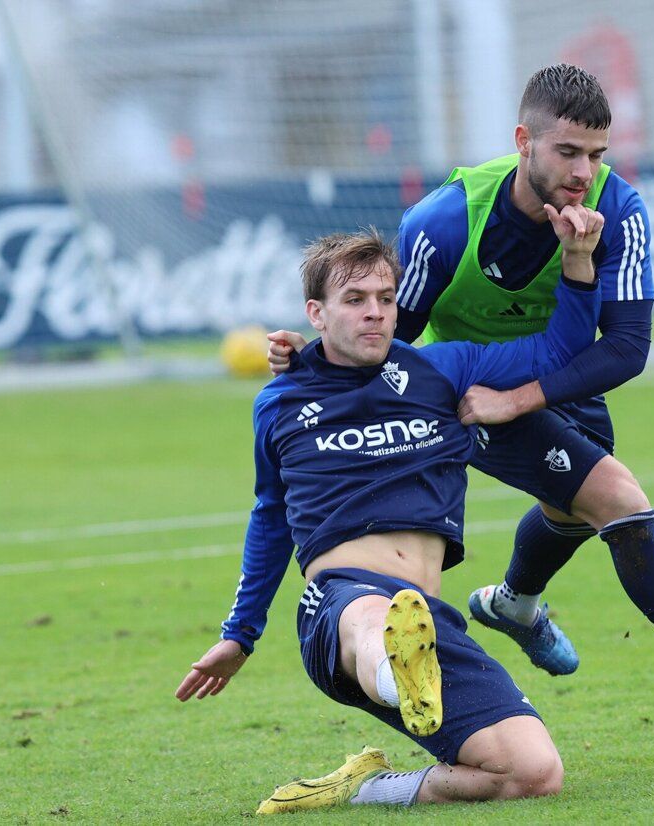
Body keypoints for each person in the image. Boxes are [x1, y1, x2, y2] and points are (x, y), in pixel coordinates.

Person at [269, 64, 654, 744]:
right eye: (567, 152)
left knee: (572, 510)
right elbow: (388, 342)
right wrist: (315, 360)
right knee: (615, 497)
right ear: (524, 141)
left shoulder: (619, 211)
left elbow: (627, 349)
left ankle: (514, 605)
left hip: (557, 375)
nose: (586, 171)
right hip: (464, 389)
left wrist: (518, 396)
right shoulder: (445, 222)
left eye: (597, 154)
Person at [176, 225, 605, 813]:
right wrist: (239, 635)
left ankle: (369, 788)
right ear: (316, 314)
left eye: (385, 298)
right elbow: (271, 517)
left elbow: (564, 348)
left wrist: (578, 257)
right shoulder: (281, 401)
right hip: (339, 605)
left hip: (427, 620)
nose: (375, 313)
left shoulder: (443, 371)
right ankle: (397, 671)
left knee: (532, 773)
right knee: (376, 618)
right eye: (354, 300)